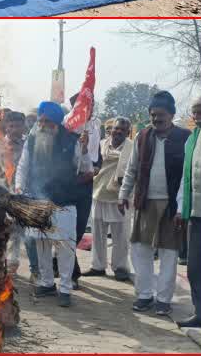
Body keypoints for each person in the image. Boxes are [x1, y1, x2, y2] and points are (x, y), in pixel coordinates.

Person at [118, 90, 191, 316]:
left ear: (171, 114)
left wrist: (182, 206)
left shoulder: (185, 138)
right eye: (152, 115)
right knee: (140, 250)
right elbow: (131, 170)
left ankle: (163, 299)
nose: (156, 119)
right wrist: (123, 194)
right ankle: (144, 295)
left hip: (172, 206)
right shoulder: (143, 136)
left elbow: (187, 177)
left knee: (169, 253)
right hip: (145, 202)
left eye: (160, 115)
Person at [15, 101, 92, 308]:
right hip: (39, 199)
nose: (41, 125)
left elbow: (85, 168)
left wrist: (84, 150)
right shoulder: (32, 140)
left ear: (56, 123)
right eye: (40, 121)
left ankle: (65, 288)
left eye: (46, 121)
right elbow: (23, 165)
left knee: (65, 246)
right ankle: (47, 283)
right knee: (41, 242)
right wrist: (19, 187)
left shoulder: (73, 141)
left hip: (65, 201)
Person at [81, 117, 133, 281]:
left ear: (128, 132)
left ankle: (120, 267)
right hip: (98, 194)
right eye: (116, 128)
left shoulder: (132, 148)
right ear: (111, 129)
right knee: (98, 233)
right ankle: (98, 266)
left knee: (120, 235)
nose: (118, 132)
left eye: (122, 130)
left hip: (120, 197)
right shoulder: (101, 144)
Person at [177, 96, 201, 328]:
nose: (196, 117)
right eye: (194, 113)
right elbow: (185, 177)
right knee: (196, 268)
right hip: (198, 214)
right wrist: (182, 207)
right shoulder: (193, 140)